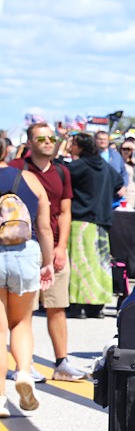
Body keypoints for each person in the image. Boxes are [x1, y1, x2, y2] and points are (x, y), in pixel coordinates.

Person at [10, 123, 84, 380]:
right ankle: (24, 363)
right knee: (24, 311)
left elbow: (65, 212)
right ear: (29, 143)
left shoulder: (62, 172)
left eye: (51, 137)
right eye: (40, 138)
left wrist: (61, 246)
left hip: (53, 247)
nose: (48, 141)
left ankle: (62, 362)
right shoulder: (17, 169)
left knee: (58, 306)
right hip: (24, 247)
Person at [0, 164, 54, 416]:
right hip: (25, 253)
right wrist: (48, 262)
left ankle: (0, 398)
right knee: (21, 322)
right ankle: (23, 372)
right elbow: (44, 227)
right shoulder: (29, 179)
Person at [65, 132, 122, 317]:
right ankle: (96, 307)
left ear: (80, 147)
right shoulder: (105, 165)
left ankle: (77, 305)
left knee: (80, 264)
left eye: (73, 143)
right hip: (103, 221)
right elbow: (119, 182)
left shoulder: (77, 166)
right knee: (100, 266)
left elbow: (62, 175)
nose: (71, 146)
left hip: (81, 220)